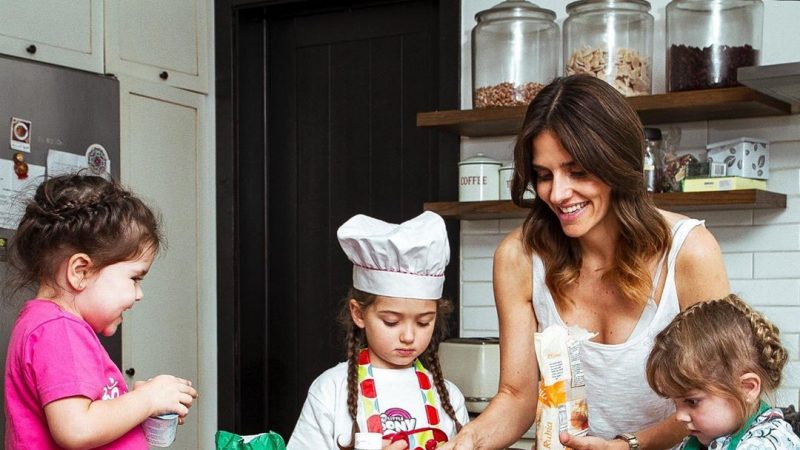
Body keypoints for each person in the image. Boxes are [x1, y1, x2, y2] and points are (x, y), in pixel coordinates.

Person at [439, 74, 730, 450]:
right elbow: (517, 396)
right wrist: (468, 440)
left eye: (577, 171)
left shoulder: (689, 252)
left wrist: (626, 446)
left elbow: (716, 397)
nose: (558, 193)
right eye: (544, 175)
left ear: (615, 163)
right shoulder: (518, 259)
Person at [4, 174, 198, 449]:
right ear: (80, 272)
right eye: (134, 278)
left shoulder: (51, 324)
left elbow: (89, 416)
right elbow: (77, 429)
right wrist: (147, 399)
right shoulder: (57, 329)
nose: (139, 294)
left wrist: (136, 405)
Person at [287, 211, 469, 450]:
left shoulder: (449, 397)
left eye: (424, 322)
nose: (408, 337)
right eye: (391, 322)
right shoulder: (331, 390)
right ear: (359, 314)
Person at [647, 294, 800, 449]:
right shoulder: (701, 439)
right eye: (676, 403)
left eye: (692, 402)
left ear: (747, 388)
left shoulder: (764, 444)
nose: (680, 416)